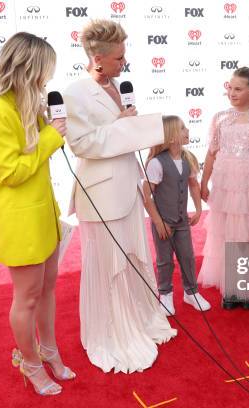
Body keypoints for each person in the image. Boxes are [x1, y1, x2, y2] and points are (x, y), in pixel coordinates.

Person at [62, 19, 176, 374]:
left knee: (132, 259)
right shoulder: (74, 93)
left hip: (127, 186)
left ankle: (139, 320)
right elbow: (81, 143)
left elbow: (119, 134)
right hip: (100, 195)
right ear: (97, 58)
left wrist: (128, 125)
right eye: (118, 58)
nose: (123, 64)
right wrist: (125, 127)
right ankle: (110, 333)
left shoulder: (117, 86)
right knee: (109, 267)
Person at [0, 32, 74, 396]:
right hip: (19, 222)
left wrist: (49, 126)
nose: (46, 79)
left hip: (43, 215)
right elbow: (11, 172)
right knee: (27, 296)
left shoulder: (28, 104)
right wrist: (50, 139)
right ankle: (30, 363)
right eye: (43, 71)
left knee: (47, 290)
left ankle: (48, 350)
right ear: (27, 67)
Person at [199, 67, 249, 310]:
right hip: (227, 186)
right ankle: (232, 288)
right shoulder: (220, 118)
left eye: (238, 89)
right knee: (228, 235)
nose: (231, 93)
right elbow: (211, 154)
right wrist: (204, 182)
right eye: (229, 87)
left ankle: (248, 288)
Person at [143, 115, 211, 316]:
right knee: (165, 260)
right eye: (182, 128)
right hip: (163, 222)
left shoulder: (187, 158)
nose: (187, 131)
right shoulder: (156, 163)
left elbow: (193, 185)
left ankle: (191, 292)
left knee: (188, 257)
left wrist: (198, 209)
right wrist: (158, 221)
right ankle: (165, 294)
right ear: (171, 137)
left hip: (182, 221)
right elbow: (147, 195)